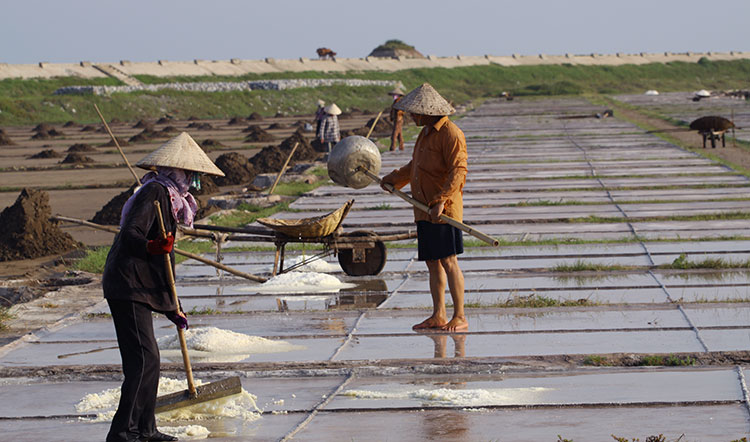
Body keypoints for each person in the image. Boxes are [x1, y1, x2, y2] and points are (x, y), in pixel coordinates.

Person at [102, 132, 225, 442]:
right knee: (142, 359)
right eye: (192, 174)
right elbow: (132, 236)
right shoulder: (155, 193)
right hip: (126, 283)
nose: (196, 180)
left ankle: (145, 429)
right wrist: (153, 246)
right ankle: (121, 432)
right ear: (178, 171)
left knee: (150, 359)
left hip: (140, 284)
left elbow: (164, 262)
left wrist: (174, 306)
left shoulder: (172, 200)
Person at [380, 83, 468, 332]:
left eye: (414, 112)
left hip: (443, 211)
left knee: (449, 261)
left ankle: (459, 316)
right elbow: (415, 166)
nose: (411, 116)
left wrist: (442, 200)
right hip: (423, 209)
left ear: (427, 112)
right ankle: (438, 314)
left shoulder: (451, 133)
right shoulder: (425, 133)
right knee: (432, 262)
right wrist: (393, 179)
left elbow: (458, 171)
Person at [388, 87, 405, 151]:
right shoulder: (395, 102)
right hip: (397, 119)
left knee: (394, 134)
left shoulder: (398, 102)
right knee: (399, 134)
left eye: (395, 95)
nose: (393, 96)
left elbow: (400, 111)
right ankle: (401, 146)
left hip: (398, 120)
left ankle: (393, 147)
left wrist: (397, 117)